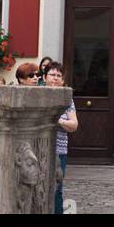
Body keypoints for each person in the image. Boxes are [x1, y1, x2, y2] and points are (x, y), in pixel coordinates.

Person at [44, 62, 78, 214]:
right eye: (52, 75)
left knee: (57, 189)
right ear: (45, 78)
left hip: (59, 150)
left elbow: (74, 125)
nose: (55, 78)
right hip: (41, 149)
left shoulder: (67, 100)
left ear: (63, 80)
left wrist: (59, 121)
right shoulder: (37, 96)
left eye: (59, 76)